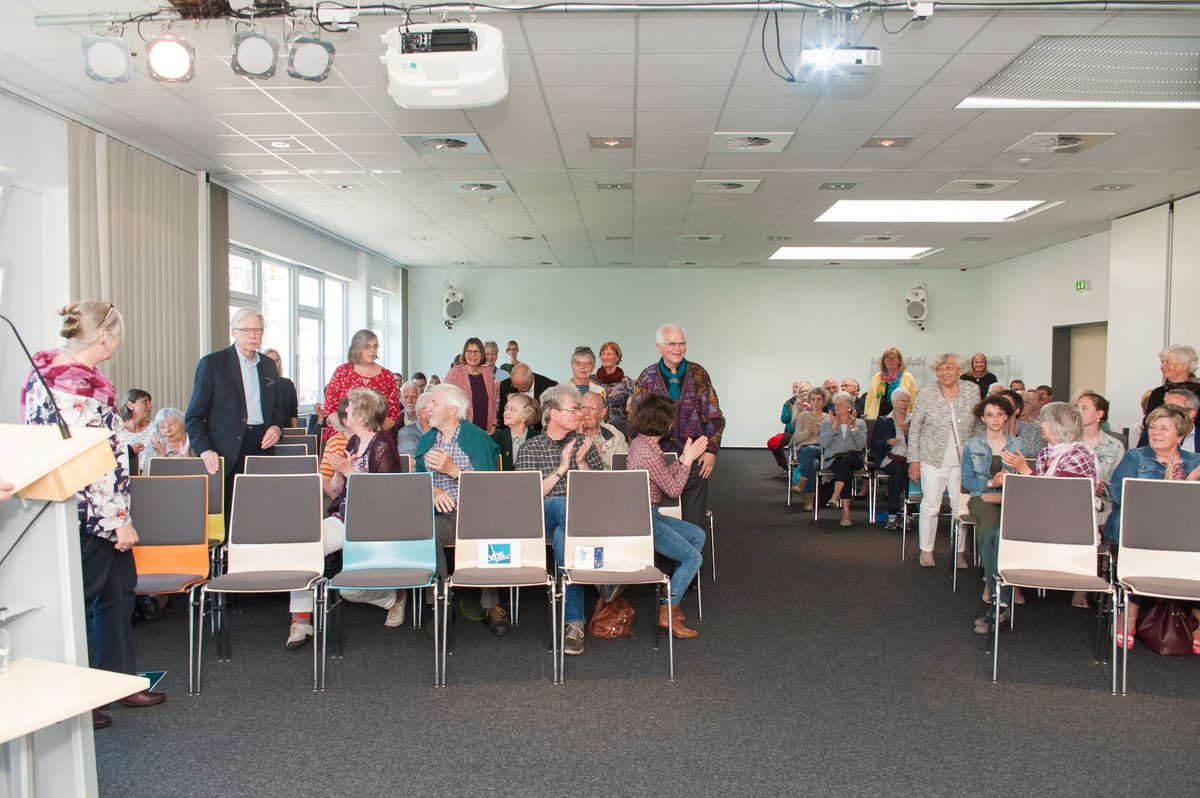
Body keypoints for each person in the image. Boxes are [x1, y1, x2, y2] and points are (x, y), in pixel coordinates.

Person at [20, 301, 165, 729]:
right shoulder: (75, 386)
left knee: (118, 594)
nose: (119, 342)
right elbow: (91, 462)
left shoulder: (53, 373)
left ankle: (118, 682)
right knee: (83, 603)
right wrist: (117, 520)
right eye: (117, 335)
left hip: (91, 507)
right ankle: (81, 699)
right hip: (87, 513)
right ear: (103, 335)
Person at [286, 387, 407, 650]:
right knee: (306, 545)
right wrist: (340, 472)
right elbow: (338, 490)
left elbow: (384, 496)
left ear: (361, 416)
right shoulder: (353, 442)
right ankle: (301, 620)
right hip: (345, 517)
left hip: (373, 523)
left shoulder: (383, 444)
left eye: (350, 408)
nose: (345, 412)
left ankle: (394, 598)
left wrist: (349, 470)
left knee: (349, 591)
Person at [515, 385, 605, 656]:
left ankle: (574, 625)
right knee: (566, 504)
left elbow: (602, 492)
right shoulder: (531, 447)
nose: (580, 414)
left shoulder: (584, 444)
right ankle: (603, 581)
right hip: (542, 513)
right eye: (574, 409)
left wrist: (583, 463)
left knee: (564, 538)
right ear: (554, 414)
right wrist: (563, 468)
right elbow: (527, 498)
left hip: (576, 522)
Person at [1107, 405, 1200, 649]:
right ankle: (1130, 615)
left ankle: (1197, 619)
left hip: (1182, 534)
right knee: (1145, 544)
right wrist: (1172, 486)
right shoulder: (1135, 458)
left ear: (1180, 435)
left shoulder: (1195, 462)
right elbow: (1121, 496)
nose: (1156, 432)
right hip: (1138, 531)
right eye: (1153, 427)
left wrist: (1185, 489)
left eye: (1164, 428)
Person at [415, 384, 504, 634]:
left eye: (434, 403)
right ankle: (441, 605)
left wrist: (453, 470)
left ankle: (491, 605)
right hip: (443, 516)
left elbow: (490, 488)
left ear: (452, 410)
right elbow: (418, 481)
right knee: (427, 533)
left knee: (488, 532)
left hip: (476, 512)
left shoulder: (477, 439)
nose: (427, 408)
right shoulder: (428, 440)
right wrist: (433, 490)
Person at [185, 307, 285, 517]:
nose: (253, 335)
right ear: (234, 332)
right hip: (226, 450)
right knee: (231, 515)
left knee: (262, 512)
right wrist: (204, 450)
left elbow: (277, 408)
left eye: (258, 330)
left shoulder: (268, 365)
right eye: (246, 330)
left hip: (262, 446)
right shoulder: (213, 364)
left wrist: (277, 427)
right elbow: (194, 417)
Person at [626, 395, 707, 638]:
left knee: (697, 535)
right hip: (644, 518)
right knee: (693, 558)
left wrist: (681, 460)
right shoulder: (648, 452)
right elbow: (673, 490)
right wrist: (688, 461)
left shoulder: (642, 443)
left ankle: (672, 593)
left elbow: (662, 477)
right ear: (664, 422)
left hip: (648, 512)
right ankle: (667, 612)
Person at [630, 324, 725, 527]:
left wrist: (711, 450)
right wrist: (643, 452)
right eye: (672, 343)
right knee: (660, 519)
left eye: (682, 343)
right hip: (657, 459)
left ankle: (694, 547)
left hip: (695, 457)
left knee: (694, 519)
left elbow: (714, 416)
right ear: (659, 346)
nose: (678, 348)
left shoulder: (699, 374)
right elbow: (635, 420)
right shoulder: (647, 377)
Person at [908, 352, 980, 568]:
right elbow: (915, 428)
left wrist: (977, 455)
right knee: (931, 505)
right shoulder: (926, 391)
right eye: (939, 369)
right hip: (932, 457)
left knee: (961, 508)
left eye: (948, 368)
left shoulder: (972, 390)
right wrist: (914, 460)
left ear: (959, 370)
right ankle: (926, 550)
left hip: (963, 461)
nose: (944, 372)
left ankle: (959, 552)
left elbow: (978, 424)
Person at [961, 394, 1025, 632]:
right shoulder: (972, 444)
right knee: (990, 528)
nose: (995, 419)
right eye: (990, 415)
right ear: (982, 418)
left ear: (1007, 416)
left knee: (1008, 532)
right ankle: (995, 585)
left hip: (1011, 498)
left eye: (999, 414)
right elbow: (967, 481)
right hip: (982, 497)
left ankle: (1002, 588)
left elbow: (1023, 479)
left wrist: (1006, 484)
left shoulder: (1017, 445)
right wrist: (990, 484)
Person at [1076, 391, 1125, 609]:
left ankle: (1097, 582)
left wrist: (1103, 488)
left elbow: (1120, 483)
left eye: (1084, 408)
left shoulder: (1115, 446)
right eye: (1077, 407)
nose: (1079, 411)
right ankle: (1081, 586)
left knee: (1103, 518)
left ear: (1099, 414)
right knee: (1084, 518)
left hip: (1105, 503)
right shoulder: (1070, 442)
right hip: (1075, 504)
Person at [321, 330, 401, 441]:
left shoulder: (387, 376)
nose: (373, 350)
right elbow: (330, 408)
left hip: (375, 439)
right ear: (357, 348)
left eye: (375, 346)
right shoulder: (342, 372)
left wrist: (370, 435)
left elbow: (393, 414)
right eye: (367, 347)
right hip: (342, 437)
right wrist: (348, 433)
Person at [819, 391, 867, 527]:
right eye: (836, 404)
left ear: (850, 407)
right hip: (834, 460)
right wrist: (834, 427)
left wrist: (852, 427)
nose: (837, 407)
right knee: (845, 468)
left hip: (854, 458)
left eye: (841, 404)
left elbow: (861, 444)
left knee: (846, 461)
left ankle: (835, 496)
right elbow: (823, 444)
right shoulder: (827, 422)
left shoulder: (860, 423)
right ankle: (846, 512)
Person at [1137, 345, 1200, 446]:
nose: (1162, 367)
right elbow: (1148, 424)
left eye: (1168, 362)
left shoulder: (1198, 390)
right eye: (1162, 362)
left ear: (1185, 365)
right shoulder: (1158, 393)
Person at [869, 387, 912, 530]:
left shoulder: (913, 420)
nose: (905, 403)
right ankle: (894, 513)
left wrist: (908, 434)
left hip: (909, 458)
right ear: (894, 402)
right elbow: (874, 444)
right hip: (888, 457)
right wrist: (887, 441)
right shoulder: (883, 420)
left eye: (907, 401)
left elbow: (922, 444)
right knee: (898, 470)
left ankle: (906, 513)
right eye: (902, 400)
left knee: (908, 471)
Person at [444, 337, 497, 434]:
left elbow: (493, 401)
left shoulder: (488, 373)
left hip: (486, 432)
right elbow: (446, 402)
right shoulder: (455, 372)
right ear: (464, 353)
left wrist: (493, 424)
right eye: (469, 351)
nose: (472, 355)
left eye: (476, 351)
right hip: (462, 432)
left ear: (482, 354)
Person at [790, 386, 829, 512]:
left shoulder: (828, 418)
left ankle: (802, 481)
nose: (816, 402)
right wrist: (808, 431)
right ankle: (809, 499)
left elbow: (830, 441)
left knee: (812, 450)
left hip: (821, 450)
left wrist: (822, 433)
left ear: (824, 401)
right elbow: (796, 438)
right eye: (813, 399)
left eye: (819, 399)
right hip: (804, 450)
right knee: (814, 463)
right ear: (810, 401)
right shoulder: (803, 416)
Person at [592, 340, 636, 433]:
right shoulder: (591, 381)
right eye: (602, 354)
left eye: (609, 354)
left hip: (620, 430)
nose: (605, 357)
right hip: (594, 428)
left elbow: (635, 407)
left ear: (617, 357)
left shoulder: (627, 382)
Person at [579, 390, 628, 469]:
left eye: (592, 408)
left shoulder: (613, 433)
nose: (586, 413)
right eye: (583, 407)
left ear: (603, 412)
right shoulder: (570, 433)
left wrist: (603, 457)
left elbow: (625, 467)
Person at [497, 364, 556, 429]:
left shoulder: (548, 386)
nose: (519, 390)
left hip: (538, 429)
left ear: (532, 379)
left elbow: (549, 414)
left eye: (523, 388)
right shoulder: (505, 385)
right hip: (513, 429)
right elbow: (502, 411)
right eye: (515, 387)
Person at [865, 348, 917, 420]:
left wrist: (913, 418)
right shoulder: (877, 377)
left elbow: (913, 400)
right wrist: (866, 414)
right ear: (884, 361)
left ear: (899, 361)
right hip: (877, 418)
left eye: (893, 358)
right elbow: (870, 398)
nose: (890, 360)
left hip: (900, 419)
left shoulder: (908, 377)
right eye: (887, 358)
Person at [492, 393, 539, 471]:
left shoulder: (539, 440)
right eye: (506, 408)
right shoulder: (494, 439)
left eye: (512, 410)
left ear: (526, 416)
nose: (506, 412)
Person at [772, 381, 810, 477]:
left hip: (810, 434)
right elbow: (784, 419)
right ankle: (786, 467)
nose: (794, 389)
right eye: (794, 387)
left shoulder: (815, 402)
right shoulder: (789, 403)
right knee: (773, 442)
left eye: (797, 387)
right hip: (792, 432)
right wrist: (794, 409)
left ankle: (800, 472)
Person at [117, 388, 154, 472]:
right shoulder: (117, 430)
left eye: (149, 402)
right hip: (125, 476)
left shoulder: (154, 427)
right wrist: (131, 451)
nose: (150, 406)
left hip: (150, 475)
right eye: (145, 402)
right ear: (130, 405)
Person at [262, 348, 299, 428]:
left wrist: (294, 432)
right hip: (265, 431)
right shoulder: (259, 384)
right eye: (270, 360)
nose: (274, 363)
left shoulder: (288, 384)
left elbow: (293, 413)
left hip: (286, 430)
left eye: (277, 360)